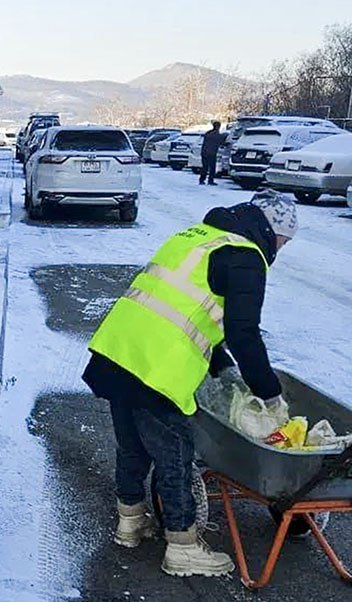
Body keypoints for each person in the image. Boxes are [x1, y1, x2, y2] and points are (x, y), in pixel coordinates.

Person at [83, 190, 299, 577]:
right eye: (284, 239)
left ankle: (130, 522)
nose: (282, 248)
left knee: (133, 446)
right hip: (155, 369)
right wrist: (270, 394)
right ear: (271, 230)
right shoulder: (247, 256)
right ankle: (182, 546)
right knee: (176, 454)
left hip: (117, 351)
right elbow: (244, 334)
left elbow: (188, 311)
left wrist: (224, 371)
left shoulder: (198, 236)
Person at [199, 121, 228, 186]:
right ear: (218, 127)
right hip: (211, 153)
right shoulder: (217, 135)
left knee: (204, 167)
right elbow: (223, 142)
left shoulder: (208, 133)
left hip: (204, 152)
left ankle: (201, 180)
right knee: (212, 168)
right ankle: (210, 181)